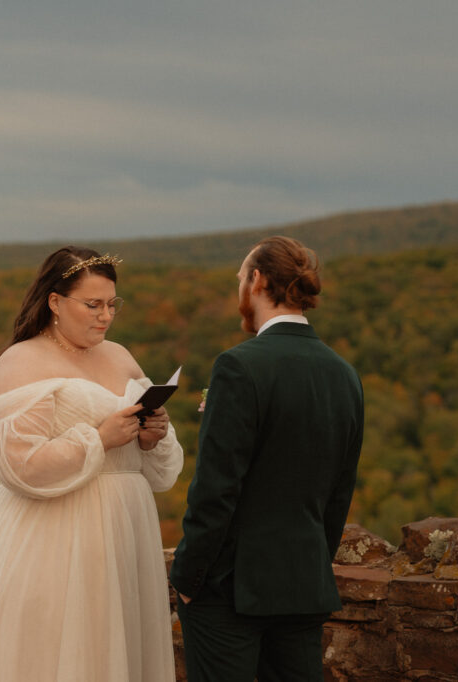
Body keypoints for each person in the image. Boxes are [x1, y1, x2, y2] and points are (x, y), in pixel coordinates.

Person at [0, 247, 184, 682]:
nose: (105, 316)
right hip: (53, 535)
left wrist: (151, 436)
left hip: (124, 531)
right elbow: (18, 466)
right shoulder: (22, 361)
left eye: (111, 305)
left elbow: (162, 473)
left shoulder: (120, 355)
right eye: (92, 305)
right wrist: (99, 439)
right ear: (54, 302)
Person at [169, 236, 364, 682]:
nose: (239, 286)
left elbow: (216, 490)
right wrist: (313, 563)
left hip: (230, 591)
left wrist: (188, 577)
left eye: (240, 277)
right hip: (303, 585)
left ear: (257, 281)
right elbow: (340, 493)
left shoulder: (239, 366)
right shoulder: (344, 374)